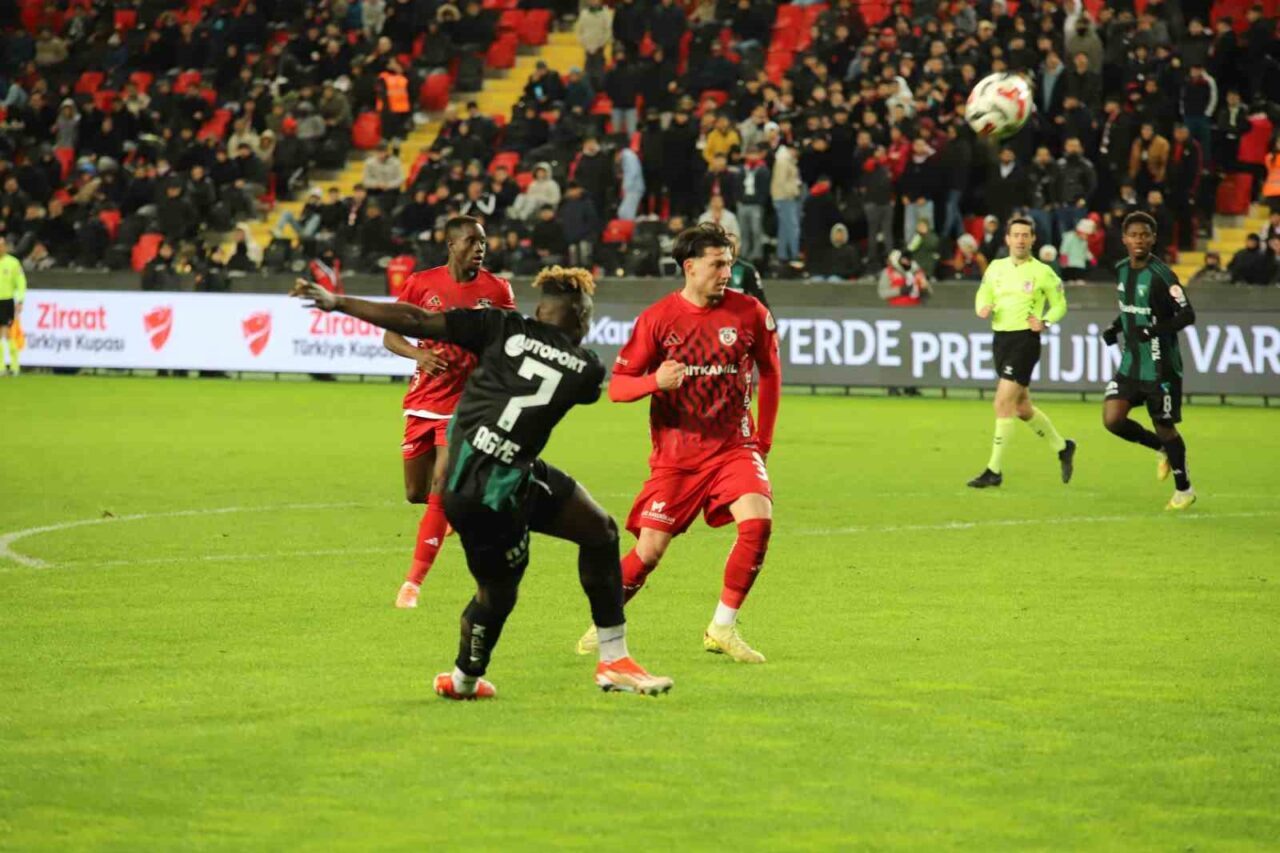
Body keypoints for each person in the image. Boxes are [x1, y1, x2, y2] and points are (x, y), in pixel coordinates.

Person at [292, 268, 673, 699]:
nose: (588, 322)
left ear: (539, 310)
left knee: (596, 533)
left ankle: (614, 661)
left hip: (489, 479)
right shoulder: (587, 369)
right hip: (486, 496)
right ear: (578, 317)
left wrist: (338, 302)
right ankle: (463, 681)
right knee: (502, 592)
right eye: (586, 314)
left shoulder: (499, 326)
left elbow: (416, 320)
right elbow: (579, 385)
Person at [576, 223, 781, 663]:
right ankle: (604, 620)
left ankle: (722, 628)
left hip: (733, 447)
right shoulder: (658, 319)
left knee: (758, 522)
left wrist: (762, 440)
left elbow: (771, 372)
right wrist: (655, 381)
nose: (727, 272)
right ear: (690, 267)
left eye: (729, 263)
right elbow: (618, 387)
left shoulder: (750, 312)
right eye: (718, 264)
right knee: (649, 551)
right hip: (677, 456)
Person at [387, 216, 516, 610]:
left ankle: (412, 584)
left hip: (467, 405)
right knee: (417, 493)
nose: (480, 248)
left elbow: (511, 339)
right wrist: (418, 354)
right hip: (423, 400)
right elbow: (390, 335)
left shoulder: (497, 289)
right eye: (472, 242)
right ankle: (457, 511)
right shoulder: (421, 283)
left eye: (483, 242)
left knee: (441, 487)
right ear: (452, 245)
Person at [968, 216, 1075, 489]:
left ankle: (994, 470)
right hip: (1000, 339)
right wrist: (982, 307)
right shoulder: (996, 267)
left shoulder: (1043, 272)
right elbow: (983, 292)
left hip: (1025, 340)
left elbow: (1060, 304)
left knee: (1002, 403)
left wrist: (1046, 321)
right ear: (1007, 239)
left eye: (1025, 235)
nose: (1020, 240)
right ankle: (1062, 447)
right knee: (1022, 407)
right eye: (1016, 235)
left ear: (1033, 239)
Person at [1101, 212, 1198, 510]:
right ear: (1124, 239)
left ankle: (1184, 490)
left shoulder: (1162, 275)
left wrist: (1153, 330)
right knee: (1113, 420)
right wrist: (1115, 327)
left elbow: (1187, 314)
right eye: (1134, 235)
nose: (1139, 240)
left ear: (1153, 238)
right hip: (1131, 363)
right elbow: (1131, 308)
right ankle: (1161, 449)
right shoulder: (1121, 270)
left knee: (1164, 426)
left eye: (1145, 235)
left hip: (1160, 366)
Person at [0, 235, 26, 376]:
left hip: (7, 301)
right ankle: (1, 366)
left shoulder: (13, 263)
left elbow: (21, 282)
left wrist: (20, 300)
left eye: (1, 245)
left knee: (9, 333)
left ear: (5, 247)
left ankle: (15, 366)